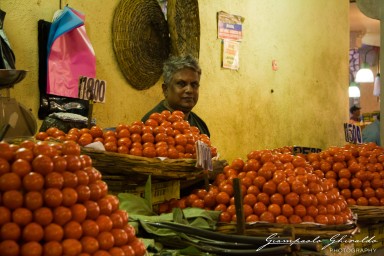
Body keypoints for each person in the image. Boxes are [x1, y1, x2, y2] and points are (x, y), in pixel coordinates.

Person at [141, 55, 210, 137]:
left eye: (194, 85)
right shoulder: (151, 125)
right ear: (165, 89)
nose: (189, 90)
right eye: (181, 84)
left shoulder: (201, 126)